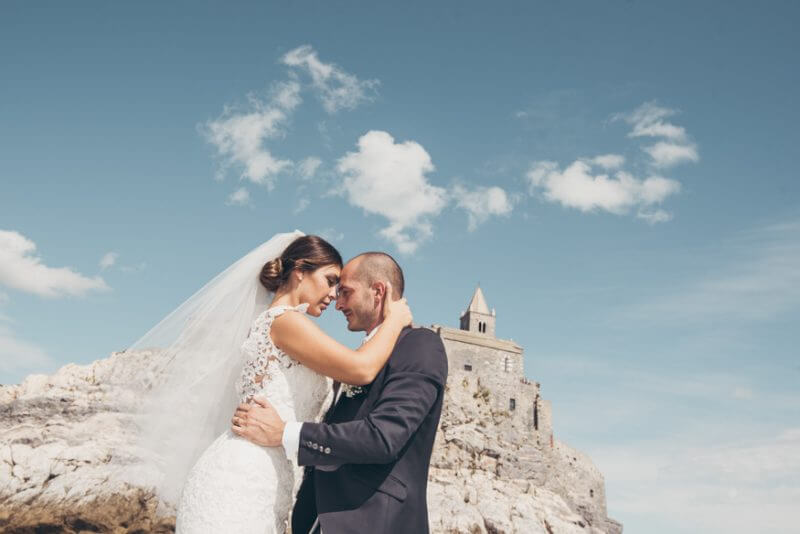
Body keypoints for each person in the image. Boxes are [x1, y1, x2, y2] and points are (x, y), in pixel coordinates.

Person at [130, 232, 411, 534]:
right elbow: (360, 369)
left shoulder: (280, 323)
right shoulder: (284, 321)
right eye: (330, 280)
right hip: (242, 477)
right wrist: (395, 319)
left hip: (268, 477)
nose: (334, 295)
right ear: (300, 272)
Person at [231, 252, 449, 534]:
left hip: (377, 523)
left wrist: (284, 433)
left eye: (345, 292)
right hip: (314, 520)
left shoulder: (419, 345)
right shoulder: (359, 357)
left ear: (378, 291)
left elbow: (383, 438)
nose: (338, 303)